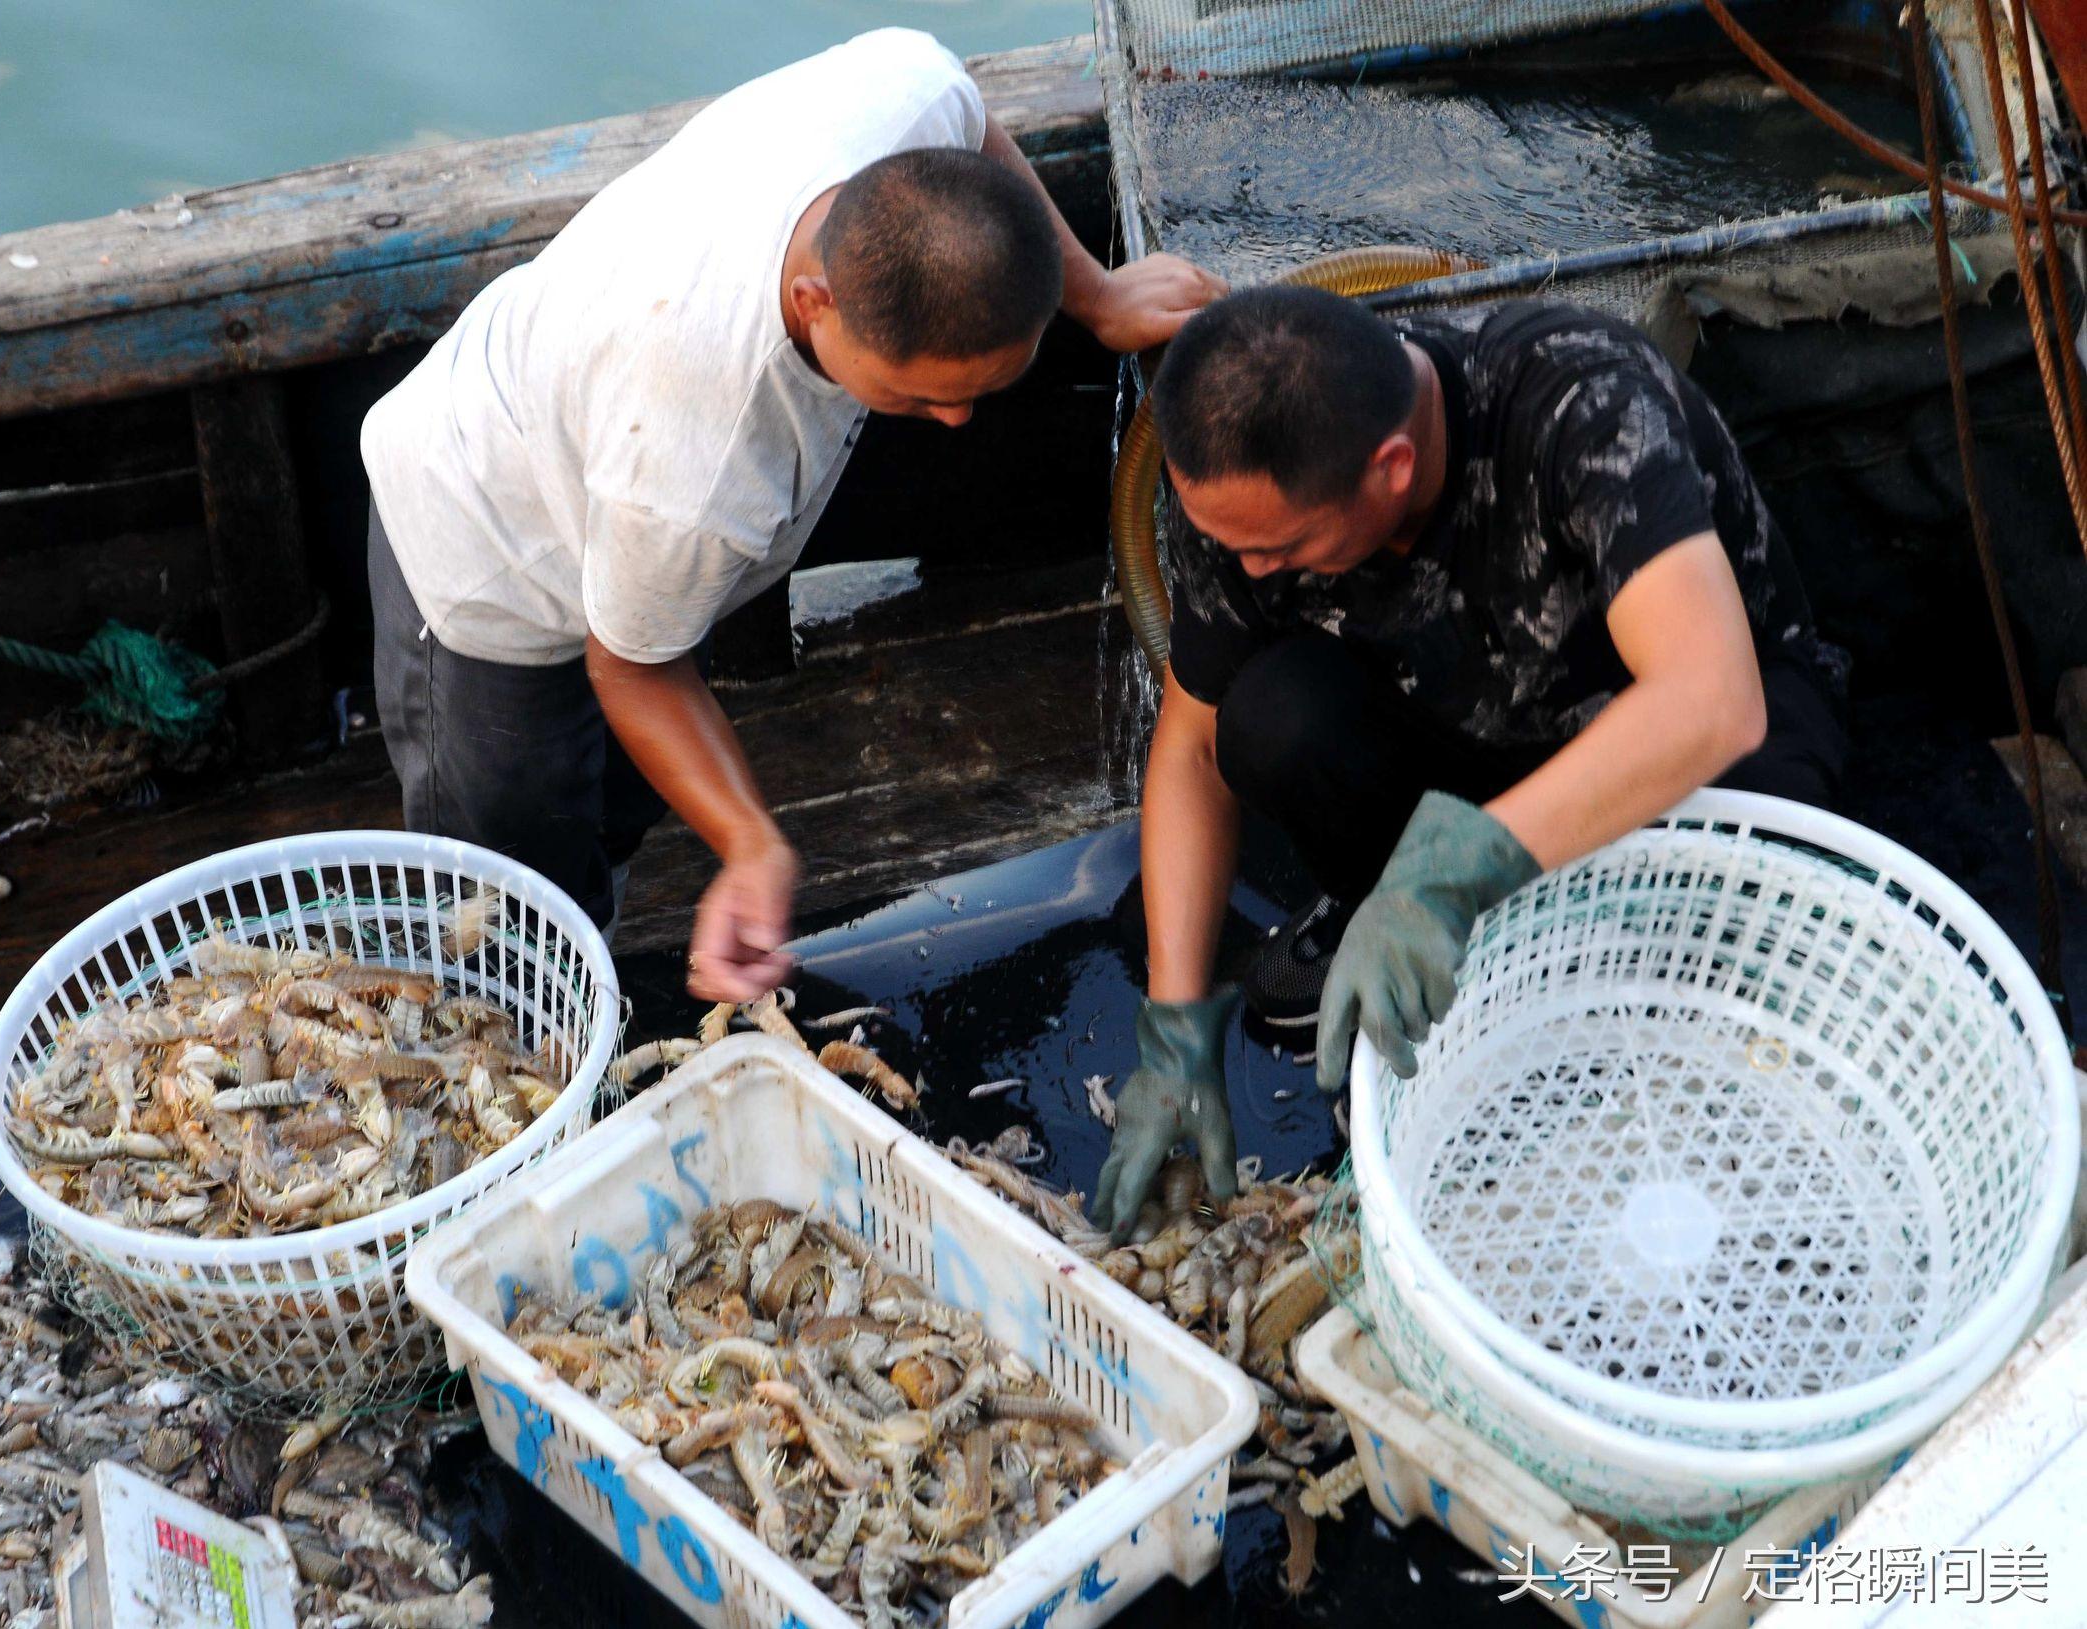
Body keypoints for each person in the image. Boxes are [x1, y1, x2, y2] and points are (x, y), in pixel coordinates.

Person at [362, 29, 1224, 1002]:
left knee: (620, 798)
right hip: (485, 550)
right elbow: (634, 667)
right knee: (516, 894)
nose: (954, 421)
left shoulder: (902, 100)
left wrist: (1098, 296)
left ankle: (607, 888)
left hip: (583, 429)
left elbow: (974, 125)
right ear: (815, 301)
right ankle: (526, 1036)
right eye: (916, 397)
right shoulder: (699, 459)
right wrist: (751, 846)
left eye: (983, 389)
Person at [1089, 287, 1847, 1234]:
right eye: (1232, 545)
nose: (1250, 571)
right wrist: (1175, 1021)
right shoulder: (1247, 483)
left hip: (1682, 752)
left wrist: (1458, 866)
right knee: (1271, 716)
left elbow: (1712, 699)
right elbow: (1194, 746)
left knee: (1766, 804)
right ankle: (1402, 929)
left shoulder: (1579, 401)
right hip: (1463, 726)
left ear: (1392, 467)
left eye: (1280, 546)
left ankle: (1503, 939)